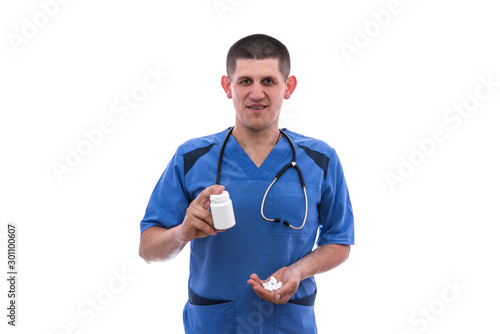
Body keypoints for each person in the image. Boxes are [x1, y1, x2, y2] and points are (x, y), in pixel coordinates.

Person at [139, 34, 354, 333]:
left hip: (290, 324)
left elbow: (340, 242)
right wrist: (182, 232)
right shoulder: (191, 157)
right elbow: (148, 249)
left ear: (288, 87)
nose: (256, 93)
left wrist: (298, 271)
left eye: (268, 81)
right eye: (244, 82)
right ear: (228, 87)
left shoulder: (320, 159)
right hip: (213, 324)